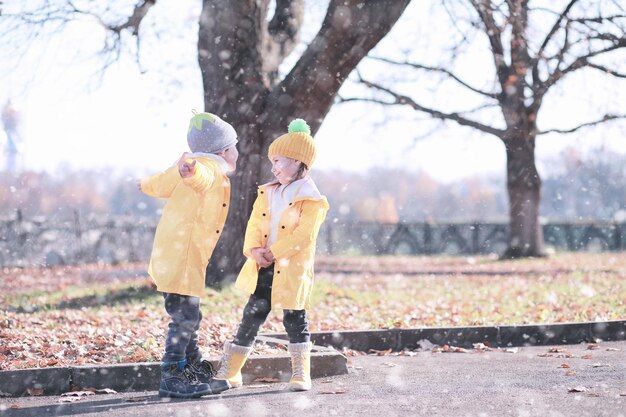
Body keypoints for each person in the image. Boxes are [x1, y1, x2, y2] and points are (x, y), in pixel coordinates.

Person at [210, 118, 329, 393]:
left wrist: (275, 252)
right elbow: (254, 224)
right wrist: (254, 250)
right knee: (251, 315)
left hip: (291, 268)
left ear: (300, 162)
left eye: (280, 160)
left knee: (295, 318)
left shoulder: (312, 200)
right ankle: (232, 371)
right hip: (263, 266)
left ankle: (301, 372)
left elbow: (304, 236)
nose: (274, 166)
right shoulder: (267, 192)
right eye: (272, 161)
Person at [138, 110, 238, 398]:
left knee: (189, 315)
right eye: (234, 147)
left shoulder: (187, 166)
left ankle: (192, 368)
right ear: (222, 151)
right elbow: (201, 178)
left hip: (177, 252)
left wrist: (143, 184)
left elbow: (161, 183)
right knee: (184, 318)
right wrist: (191, 172)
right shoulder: (208, 166)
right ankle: (172, 375)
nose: (237, 152)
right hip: (183, 255)